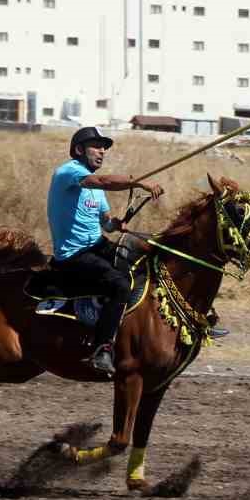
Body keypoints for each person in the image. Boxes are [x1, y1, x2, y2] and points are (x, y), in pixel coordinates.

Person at [47, 127, 165, 376]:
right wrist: (138, 182)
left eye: (104, 147)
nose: (102, 151)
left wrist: (115, 224)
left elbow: (106, 222)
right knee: (120, 285)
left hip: (97, 245)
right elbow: (103, 181)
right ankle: (102, 349)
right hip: (73, 255)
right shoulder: (69, 172)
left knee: (147, 258)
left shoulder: (96, 190)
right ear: (79, 150)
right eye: (96, 146)